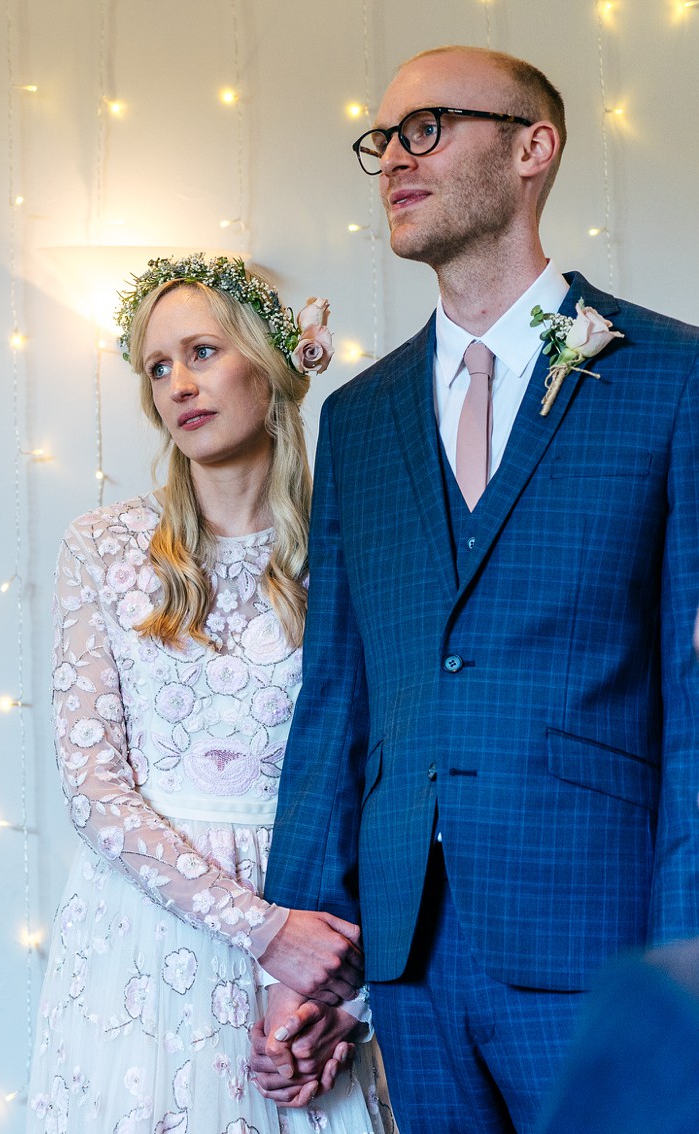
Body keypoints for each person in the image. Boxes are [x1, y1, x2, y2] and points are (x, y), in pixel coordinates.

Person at [262, 46, 699, 1133]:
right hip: (407, 956)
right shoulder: (354, 421)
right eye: (380, 141)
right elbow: (334, 702)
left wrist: (686, 952)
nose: (392, 162)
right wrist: (298, 950)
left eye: (425, 129)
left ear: (530, 149)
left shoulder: (671, 376)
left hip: (605, 944)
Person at [25, 254, 390, 1134]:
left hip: (316, 928)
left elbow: (383, 778)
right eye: (157, 367)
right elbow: (94, 789)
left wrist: (345, 993)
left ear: (271, 363)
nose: (178, 385)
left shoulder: (356, 544)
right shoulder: (104, 546)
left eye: (201, 352)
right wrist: (262, 929)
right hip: (141, 940)